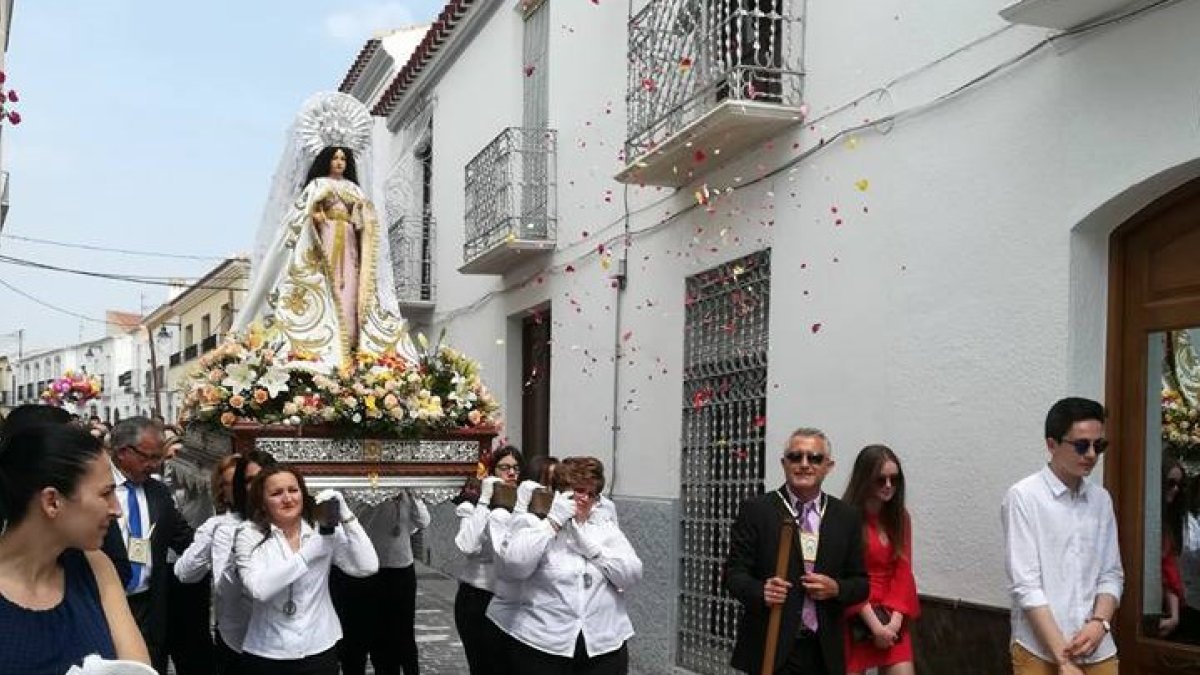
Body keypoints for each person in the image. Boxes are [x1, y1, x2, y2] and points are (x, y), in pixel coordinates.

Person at [235, 92, 417, 372]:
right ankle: (326, 347)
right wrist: (316, 217)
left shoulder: (354, 189)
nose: (340, 162)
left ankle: (353, 345)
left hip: (350, 249)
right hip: (324, 243)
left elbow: (366, 216)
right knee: (328, 288)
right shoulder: (317, 186)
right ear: (326, 161)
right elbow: (300, 216)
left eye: (344, 158)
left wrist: (361, 218)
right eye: (335, 158)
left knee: (351, 291)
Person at [0, 422, 150, 673]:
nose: (117, 510)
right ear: (52, 501)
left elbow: (137, 668)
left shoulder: (96, 567)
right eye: (105, 494)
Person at [724, 427, 869, 675]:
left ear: (828, 466)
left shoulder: (846, 516)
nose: (804, 464)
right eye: (795, 457)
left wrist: (837, 588)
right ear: (783, 463)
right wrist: (761, 591)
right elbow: (733, 575)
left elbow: (861, 583)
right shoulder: (757, 510)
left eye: (814, 458)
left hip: (823, 650)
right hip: (772, 645)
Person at [1002, 397, 1123, 674]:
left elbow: (1111, 574)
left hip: (1097, 647)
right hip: (1040, 649)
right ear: (1052, 444)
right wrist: (1063, 659)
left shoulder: (1100, 499)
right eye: (1082, 445)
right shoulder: (1024, 497)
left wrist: (1100, 623)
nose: (1091, 454)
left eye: (1099, 445)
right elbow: (1025, 585)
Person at [500, 456, 643, 674]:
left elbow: (631, 574)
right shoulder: (534, 524)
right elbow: (515, 566)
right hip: (544, 644)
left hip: (603, 644)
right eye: (578, 491)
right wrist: (553, 523)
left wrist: (592, 550)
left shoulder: (604, 527)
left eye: (591, 494)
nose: (584, 499)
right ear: (559, 493)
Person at [233, 463, 379, 674]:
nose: (288, 498)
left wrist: (346, 516)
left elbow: (367, 566)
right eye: (276, 493)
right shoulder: (248, 534)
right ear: (262, 502)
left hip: (319, 647)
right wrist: (308, 553)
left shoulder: (321, 529)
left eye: (293, 490)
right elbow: (258, 589)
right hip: (268, 651)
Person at [100, 416, 196, 675]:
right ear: (123, 452)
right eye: (150, 457)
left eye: (159, 458)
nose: (155, 466)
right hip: (103, 606)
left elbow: (184, 538)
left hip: (150, 609)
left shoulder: (159, 493)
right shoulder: (96, 489)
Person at [330, 489, 430, 675]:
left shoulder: (406, 492)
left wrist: (413, 494)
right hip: (358, 571)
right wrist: (376, 495)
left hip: (398, 569)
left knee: (396, 639)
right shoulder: (358, 486)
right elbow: (347, 520)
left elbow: (422, 521)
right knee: (355, 639)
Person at [841, 445, 919, 675]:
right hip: (857, 610)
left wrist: (893, 623)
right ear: (864, 479)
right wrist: (875, 627)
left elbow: (903, 571)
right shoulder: (845, 518)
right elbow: (846, 574)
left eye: (894, 479)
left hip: (893, 609)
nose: (888, 486)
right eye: (880, 479)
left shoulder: (900, 517)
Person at [453, 445, 524, 675]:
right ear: (493, 472)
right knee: (483, 666)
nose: (511, 473)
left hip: (511, 600)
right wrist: (484, 501)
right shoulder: (474, 505)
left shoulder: (522, 506)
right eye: (505, 468)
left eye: (515, 468)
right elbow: (467, 545)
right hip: (478, 598)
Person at [1161, 461, 1186, 639]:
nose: (1176, 489)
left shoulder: (1169, 524)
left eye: (1180, 485)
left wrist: (1174, 616)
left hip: (1164, 607)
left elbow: (1171, 572)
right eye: (1171, 483)